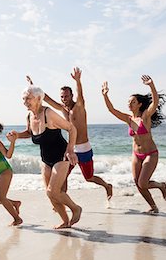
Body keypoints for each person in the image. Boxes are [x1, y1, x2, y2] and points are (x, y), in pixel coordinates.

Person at [32, 67, 113, 200]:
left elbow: (80, 94)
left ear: (71, 96)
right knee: (62, 175)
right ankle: (62, 198)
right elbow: (46, 98)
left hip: (84, 148)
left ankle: (107, 186)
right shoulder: (62, 109)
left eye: (66, 96)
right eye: (62, 97)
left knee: (89, 177)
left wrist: (78, 81)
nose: (64, 99)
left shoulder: (79, 107)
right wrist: (33, 88)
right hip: (70, 149)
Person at [10, 85, 82, 229]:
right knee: (50, 194)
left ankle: (76, 208)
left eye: (28, 99)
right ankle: (65, 221)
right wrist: (17, 136)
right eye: (24, 99)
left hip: (61, 156)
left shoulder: (48, 114)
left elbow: (71, 128)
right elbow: (30, 133)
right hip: (46, 159)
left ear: (38, 98)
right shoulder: (30, 116)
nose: (25, 102)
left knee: (53, 191)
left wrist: (70, 150)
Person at [101, 75, 166, 214]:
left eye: (132, 102)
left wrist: (151, 85)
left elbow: (154, 103)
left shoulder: (145, 117)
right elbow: (112, 110)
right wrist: (105, 95)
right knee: (137, 183)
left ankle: (160, 185)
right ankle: (153, 207)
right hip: (136, 155)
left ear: (139, 104)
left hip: (150, 154)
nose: (129, 104)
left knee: (143, 183)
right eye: (128, 102)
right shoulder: (128, 119)